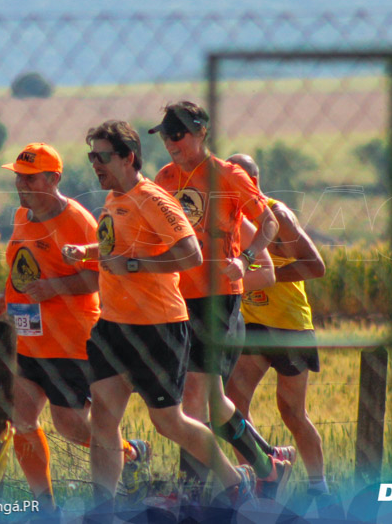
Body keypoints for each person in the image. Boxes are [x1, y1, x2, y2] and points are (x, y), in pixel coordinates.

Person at [63, 120, 255, 513]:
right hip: (113, 325)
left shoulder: (153, 198)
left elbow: (190, 254)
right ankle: (103, 509)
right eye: (91, 157)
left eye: (102, 156)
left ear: (128, 157)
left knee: (168, 422)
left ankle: (235, 483)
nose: (94, 164)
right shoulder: (114, 199)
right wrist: (87, 253)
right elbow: (117, 250)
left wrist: (133, 266)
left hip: (158, 328)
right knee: (103, 417)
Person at [0, 143, 147, 510]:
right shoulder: (22, 217)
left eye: (29, 178)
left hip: (71, 343)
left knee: (71, 425)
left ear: (54, 178)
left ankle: (132, 453)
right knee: (21, 417)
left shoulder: (78, 221)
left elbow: (97, 279)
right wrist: (5, 299)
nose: (21, 186)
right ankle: (46, 505)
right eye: (17, 178)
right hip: (28, 341)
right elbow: (24, 272)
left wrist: (54, 288)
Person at [150, 102, 294, 501]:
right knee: (211, 399)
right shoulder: (165, 177)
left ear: (200, 133)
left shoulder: (228, 176)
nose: (170, 142)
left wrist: (244, 259)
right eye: (165, 135)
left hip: (219, 300)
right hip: (179, 301)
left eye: (177, 134)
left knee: (195, 396)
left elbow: (268, 223)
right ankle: (268, 464)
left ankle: (189, 491)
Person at [225, 153, 329, 500]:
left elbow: (316, 266)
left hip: (290, 327)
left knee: (291, 412)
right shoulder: (226, 219)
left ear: (252, 182)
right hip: (252, 325)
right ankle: (258, 479)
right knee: (233, 404)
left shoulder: (277, 215)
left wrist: (262, 278)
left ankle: (320, 489)